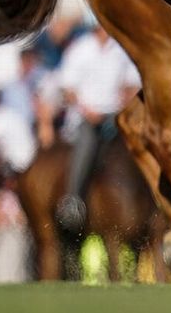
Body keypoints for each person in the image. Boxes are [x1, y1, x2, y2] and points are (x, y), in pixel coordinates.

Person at [53, 25, 140, 232]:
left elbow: (131, 84)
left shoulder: (121, 49)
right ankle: (72, 201)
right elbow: (67, 89)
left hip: (114, 116)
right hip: (85, 117)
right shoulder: (80, 49)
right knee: (87, 145)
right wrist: (87, 110)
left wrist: (126, 102)